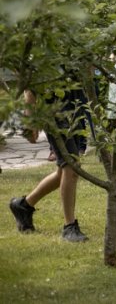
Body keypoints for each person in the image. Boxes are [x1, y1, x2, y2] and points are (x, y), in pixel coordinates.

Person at [9, 87, 89, 242]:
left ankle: (23, 206)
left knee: (63, 171)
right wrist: (30, 117)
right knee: (71, 167)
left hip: (74, 104)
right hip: (54, 110)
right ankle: (69, 226)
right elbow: (31, 82)